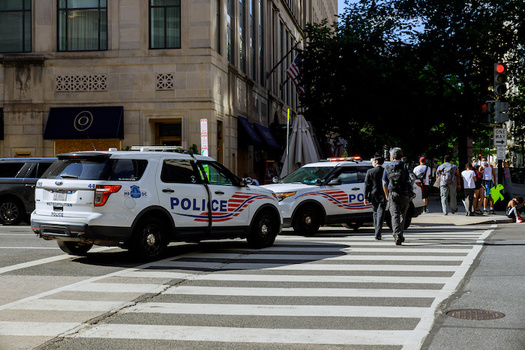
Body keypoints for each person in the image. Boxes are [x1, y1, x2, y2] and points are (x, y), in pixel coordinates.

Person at [382, 147, 412, 245]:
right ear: (401, 155)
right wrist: (409, 188)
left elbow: (384, 184)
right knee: (403, 214)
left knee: (394, 215)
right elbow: (412, 178)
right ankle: (400, 233)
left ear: (392, 157)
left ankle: (397, 235)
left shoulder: (387, 167)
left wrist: (387, 194)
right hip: (405, 194)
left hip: (392, 194)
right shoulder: (406, 166)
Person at [364, 154, 387, 240]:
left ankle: (376, 231)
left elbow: (367, 185)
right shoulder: (385, 171)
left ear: (376, 162)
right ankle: (378, 232)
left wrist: (365, 197)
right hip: (383, 194)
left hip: (373, 195)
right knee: (381, 213)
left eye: (374, 161)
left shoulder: (370, 171)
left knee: (375, 213)